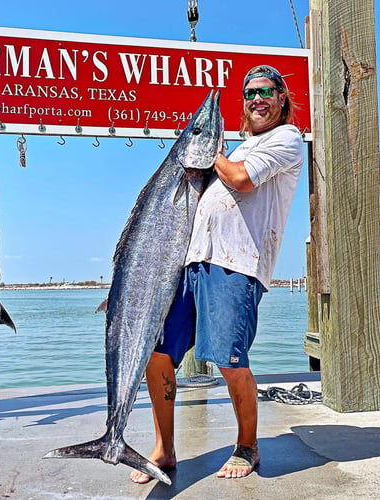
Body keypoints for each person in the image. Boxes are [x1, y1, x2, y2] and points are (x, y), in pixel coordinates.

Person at [130, 64, 304, 483]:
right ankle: (165, 449)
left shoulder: (287, 139)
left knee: (228, 359)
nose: (256, 100)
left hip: (236, 266)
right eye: (249, 94)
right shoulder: (239, 147)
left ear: (282, 97)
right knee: (158, 353)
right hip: (193, 264)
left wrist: (208, 153)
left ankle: (248, 446)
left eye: (265, 91)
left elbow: (242, 181)